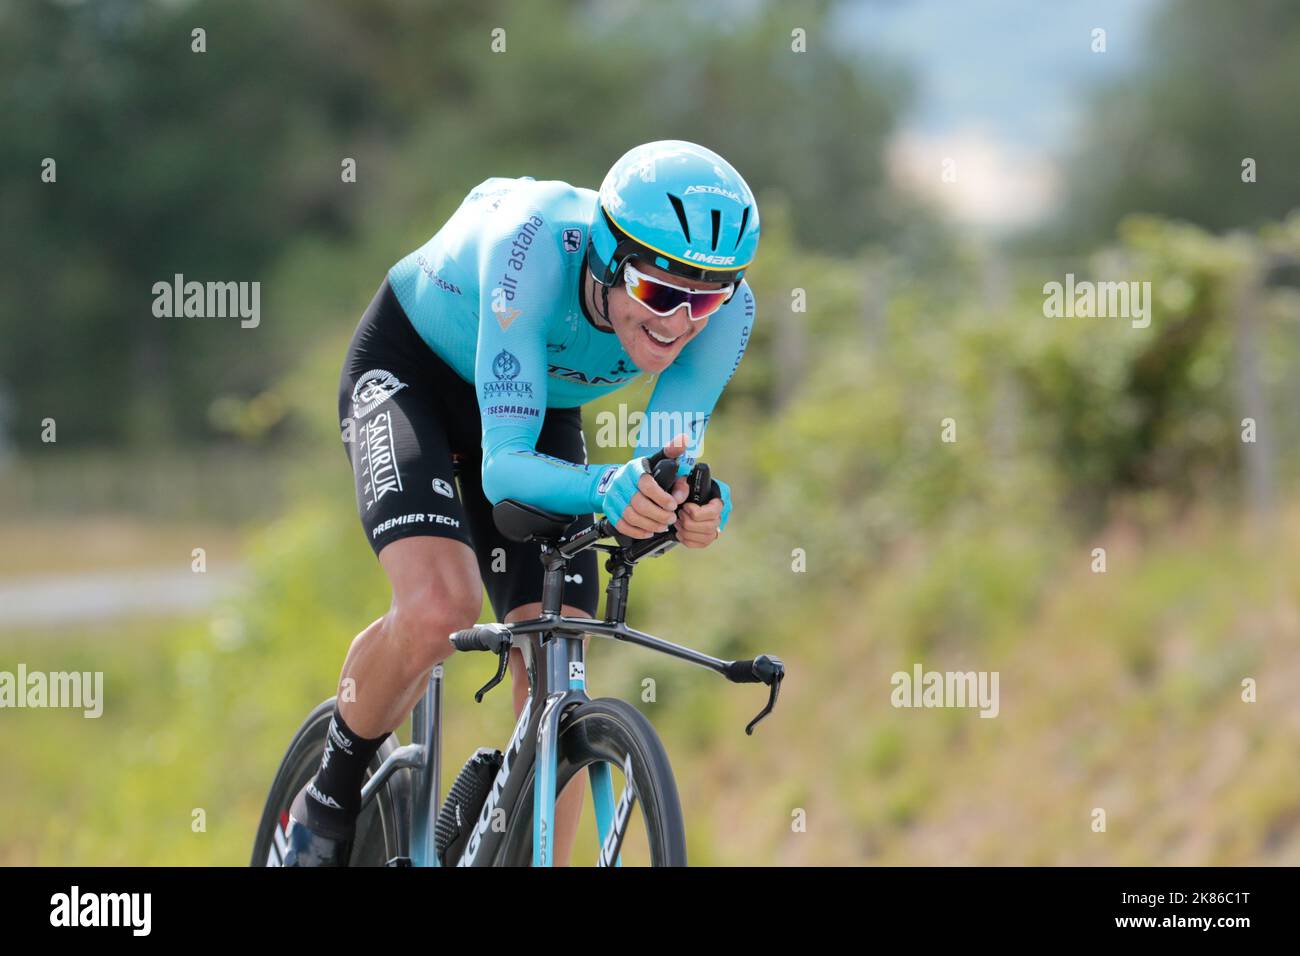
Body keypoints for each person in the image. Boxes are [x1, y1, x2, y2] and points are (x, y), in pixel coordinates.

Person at [284, 140, 760, 865]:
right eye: (659, 293)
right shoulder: (531, 246)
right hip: (415, 373)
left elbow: (667, 455)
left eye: (707, 298)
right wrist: (608, 486)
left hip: (537, 400)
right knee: (441, 606)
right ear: (604, 259)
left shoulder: (721, 314)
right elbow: (504, 469)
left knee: (560, 650)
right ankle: (323, 812)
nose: (680, 323)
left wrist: (694, 504)